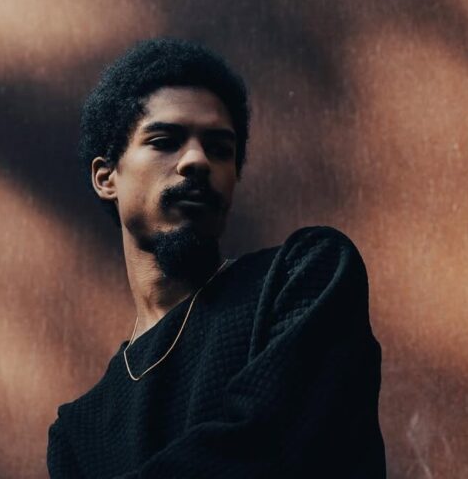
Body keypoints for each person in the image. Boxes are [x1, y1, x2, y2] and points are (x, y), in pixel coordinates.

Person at [47, 37, 385, 478]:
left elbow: (268, 447)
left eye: (220, 149)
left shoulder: (303, 276)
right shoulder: (78, 433)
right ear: (106, 177)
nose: (197, 160)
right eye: (165, 141)